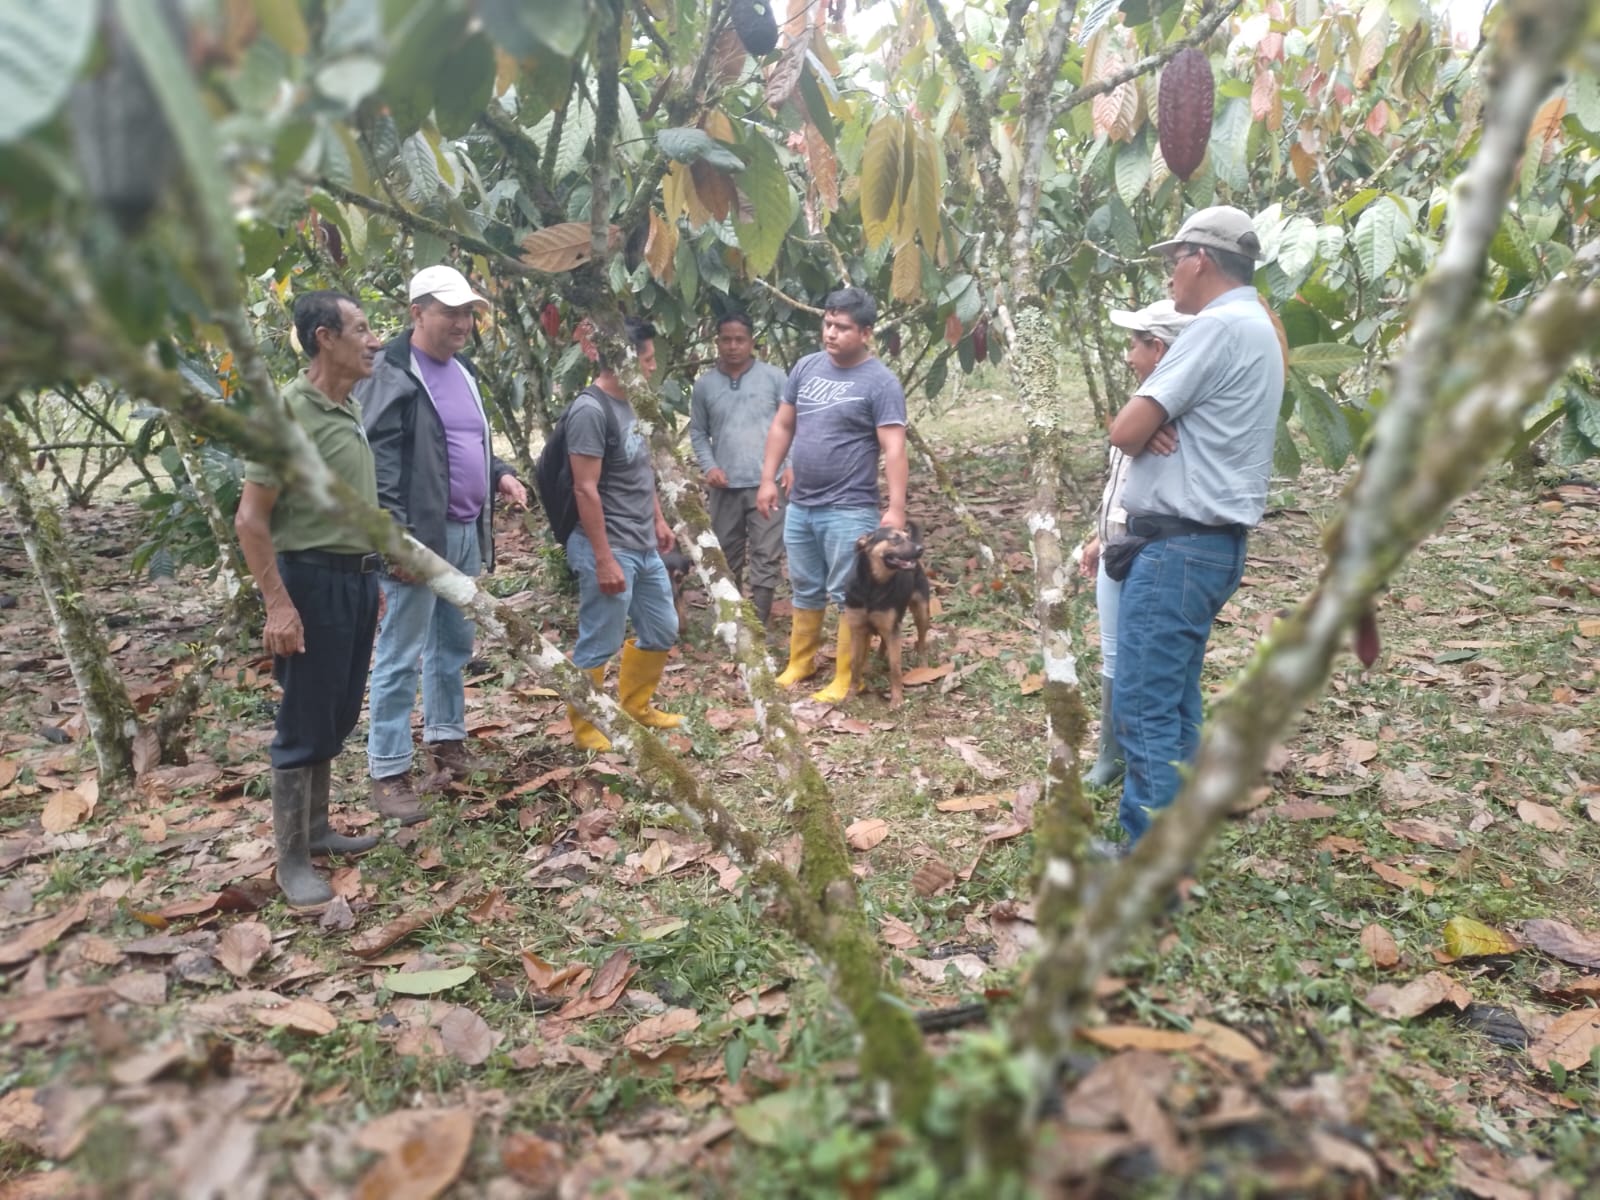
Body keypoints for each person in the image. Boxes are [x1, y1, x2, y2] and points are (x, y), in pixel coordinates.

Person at [1105, 206, 1285, 848]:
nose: (1170, 275)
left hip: (1178, 549)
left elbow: (1124, 430)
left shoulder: (1216, 326)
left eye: (1174, 261)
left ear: (1200, 259)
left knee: (1143, 704)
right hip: (1208, 546)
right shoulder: (1257, 325)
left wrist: (1148, 422)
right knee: (1175, 700)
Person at [358, 265, 529, 822]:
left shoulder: (464, 370)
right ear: (417, 313)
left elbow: (466, 440)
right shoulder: (391, 372)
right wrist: (396, 540)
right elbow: (379, 460)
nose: (462, 323)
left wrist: (500, 473)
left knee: (452, 645)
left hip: (463, 529)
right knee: (400, 653)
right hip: (416, 538)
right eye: (450, 312)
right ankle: (388, 769)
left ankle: (447, 743)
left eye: (468, 313)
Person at [234, 290, 384, 907]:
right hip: (311, 581)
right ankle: (291, 860)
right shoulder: (286, 415)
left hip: (355, 578)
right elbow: (250, 519)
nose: (374, 340)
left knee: (337, 710)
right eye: (362, 328)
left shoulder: (347, 407)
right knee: (303, 718)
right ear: (325, 337)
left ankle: (317, 828)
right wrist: (279, 604)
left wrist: (370, 576)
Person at [757, 287, 908, 703]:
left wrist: (896, 508)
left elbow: (894, 447)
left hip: (849, 507)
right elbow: (783, 425)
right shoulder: (806, 367)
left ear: (866, 333)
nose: (830, 333)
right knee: (804, 586)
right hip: (801, 503)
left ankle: (846, 676)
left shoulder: (881, 382)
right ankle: (800, 662)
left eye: (842, 327)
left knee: (848, 592)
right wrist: (768, 478)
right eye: (827, 324)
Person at [1079, 300, 1193, 789]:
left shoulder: (1179, 412)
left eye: (1134, 345)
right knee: (1115, 654)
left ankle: (1141, 763)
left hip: (1150, 549)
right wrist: (1099, 536)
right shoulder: (1146, 406)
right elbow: (1122, 482)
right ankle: (1112, 754)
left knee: (1145, 660)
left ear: (1158, 348)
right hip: (1119, 545)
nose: (1128, 355)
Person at [564, 316, 682, 752]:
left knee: (662, 627)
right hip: (609, 544)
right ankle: (586, 728)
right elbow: (585, 488)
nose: (652, 367)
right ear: (623, 361)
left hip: (642, 540)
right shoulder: (590, 411)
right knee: (601, 639)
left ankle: (636, 706)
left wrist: (657, 519)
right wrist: (603, 558)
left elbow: (641, 469)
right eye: (646, 359)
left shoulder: (635, 403)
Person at [688, 312, 791, 627]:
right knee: (725, 555)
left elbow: (792, 425)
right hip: (725, 487)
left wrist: (790, 465)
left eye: (740, 340)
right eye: (726, 340)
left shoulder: (775, 378)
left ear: (751, 342)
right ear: (717, 342)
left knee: (766, 554)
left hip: (768, 484)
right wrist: (710, 466)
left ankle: (758, 623)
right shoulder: (705, 386)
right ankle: (732, 623)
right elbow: (698, 432)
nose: (733, 346)